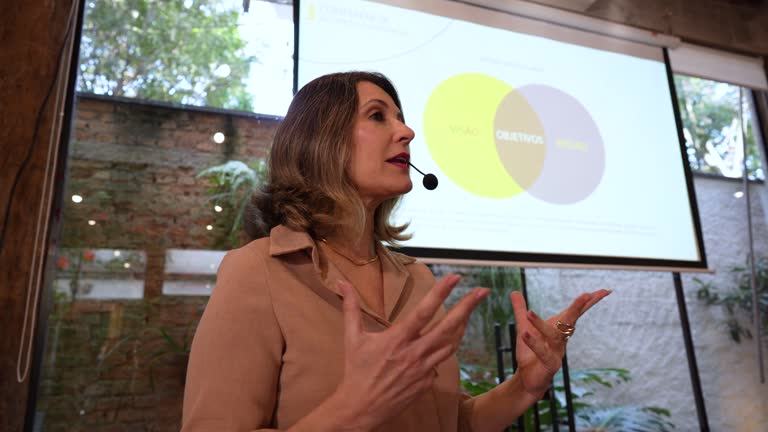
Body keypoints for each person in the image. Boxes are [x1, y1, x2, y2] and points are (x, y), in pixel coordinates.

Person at [181, 71, 610, 432]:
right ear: (321, 140)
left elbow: (447, 421)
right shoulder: (257, 270)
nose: (407, 132)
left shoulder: (418, 279)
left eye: (401, 119)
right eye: (377, 116)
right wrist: (351, 410)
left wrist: (526, 386)